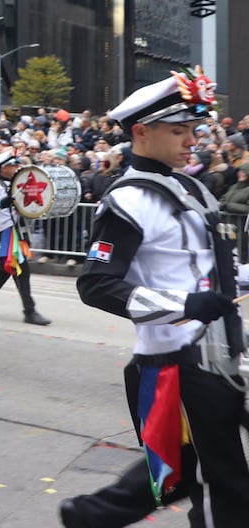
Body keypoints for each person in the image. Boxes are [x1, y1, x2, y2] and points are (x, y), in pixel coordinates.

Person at [60, 69, 249, 528]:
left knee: (180, 470)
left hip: (221, 354)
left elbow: (212, 271)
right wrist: (183, 306)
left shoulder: (193, 187)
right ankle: (92, 515)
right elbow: (97, 284)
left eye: (193, 129)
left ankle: (91, 516)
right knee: (218, 484)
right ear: (142, 132)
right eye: (179, 130)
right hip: (176, 365)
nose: (193, 140)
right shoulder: (128, 201)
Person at [0, 150, 52, 325]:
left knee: (7, 270)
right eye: (14, 165)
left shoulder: (18, 183)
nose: (17, 167)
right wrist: (1, 203)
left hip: (19, 230)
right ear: (4, 168)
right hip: (6, 231)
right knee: (21, 270)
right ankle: (29, 311)